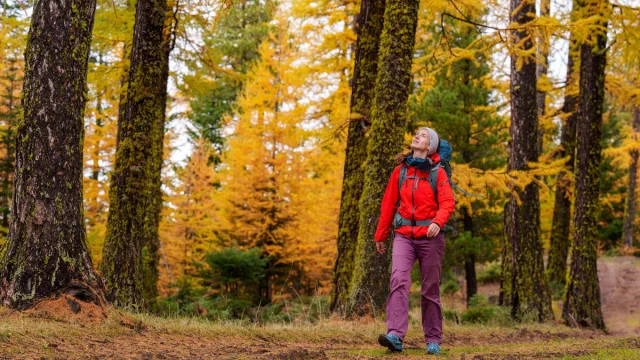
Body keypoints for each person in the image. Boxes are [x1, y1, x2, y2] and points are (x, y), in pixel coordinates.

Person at [375, 127, 455, 355]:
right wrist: (381, 235)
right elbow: (388, 205)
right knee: (398, 280)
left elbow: (448, 202)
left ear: (430, 147)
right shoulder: (400, 171)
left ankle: (433, 339)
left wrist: (437, 222)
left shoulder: (437, 173)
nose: (417, 136)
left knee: (430, 288)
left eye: (423, 135)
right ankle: (395, 335)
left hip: (431, 238)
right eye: (417, 133)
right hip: (404, 237)